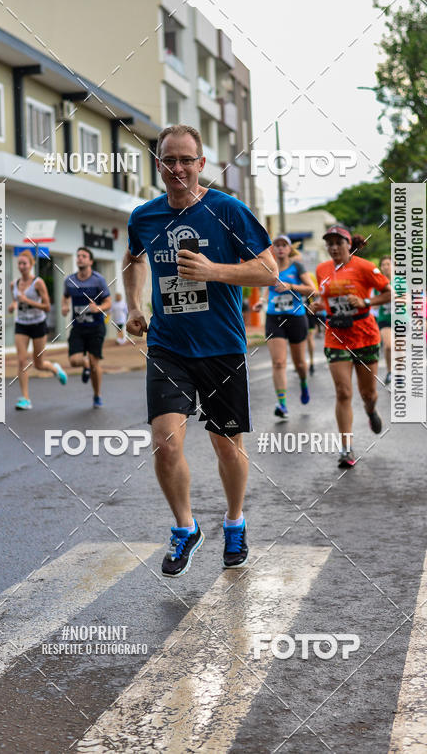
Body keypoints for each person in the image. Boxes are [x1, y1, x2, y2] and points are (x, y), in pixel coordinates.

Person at [123, 124, 276, 577]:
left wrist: (214, 270)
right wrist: (134, 305)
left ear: (202, 164)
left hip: (221, 346)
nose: (178, 168)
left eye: (187, 159)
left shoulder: (228, 210)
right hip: (167, 346)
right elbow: (133, 259)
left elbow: (268, 271)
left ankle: (234, 520)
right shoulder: (144, 217)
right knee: (165, 443)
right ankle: (186, 527)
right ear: (158, 165)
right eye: (169, 159)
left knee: (227, 446)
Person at [315, 225, 391, 469]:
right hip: (336, 336)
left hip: (365, 335)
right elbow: (324, 299)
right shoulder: (321, 269)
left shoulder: (366, 267)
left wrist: (365, 300)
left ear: (349, 245)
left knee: (367, 394)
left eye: (339, 242)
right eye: (330, 243)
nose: (334, 247)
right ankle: (346, 449)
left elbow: (390, 293)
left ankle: (370, 410)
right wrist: (318, 306)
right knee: (343, 392)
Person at [253, 234, 315, 419]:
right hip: (274, 317)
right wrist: (262, 302)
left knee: (300, 364)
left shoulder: (297, 267)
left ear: (289, 249)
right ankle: (282, 404)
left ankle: (303, 382)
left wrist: (291, 286)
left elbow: (312, 289)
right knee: (278, 362)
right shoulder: (269, 266)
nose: (280, 248)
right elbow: (267, 288)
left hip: (296, 317)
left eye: (284, 245)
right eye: (277, 245)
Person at [8, 249, 67, 410]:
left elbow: (47, 307)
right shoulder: (14, 284)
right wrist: (13, 306)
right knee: (21, 361)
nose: (21, 266)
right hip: (22, 325)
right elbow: (15, 302)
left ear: (31, 265)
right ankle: (25, 398)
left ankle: (55, 368)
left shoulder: (38, 283)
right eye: (19, 263)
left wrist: (27, 300)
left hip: (38, 324)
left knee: (38, 364)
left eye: (24, 263)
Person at [61, 247, 112, 407]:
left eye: (84, 256)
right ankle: (85, 365)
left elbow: (108, 302)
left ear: (90, 261)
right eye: (78, 256)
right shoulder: (70, 281)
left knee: (95, 364)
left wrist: (99, 308)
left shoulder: (98, 280)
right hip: (78, 327)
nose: (80, 258)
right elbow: (65, 297)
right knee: (74, 361)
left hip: (96, 327)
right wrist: (64, 306)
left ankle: (97, 395)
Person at [374, 255, 393, 384]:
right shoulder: (378, 284)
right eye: (383, 264)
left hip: (401, 319)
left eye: (388, 264)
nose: (386, 266)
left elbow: (408, 300)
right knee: (388, 346)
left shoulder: (401, 282)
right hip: (384, 318)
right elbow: (375, 303)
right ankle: (390, 371)